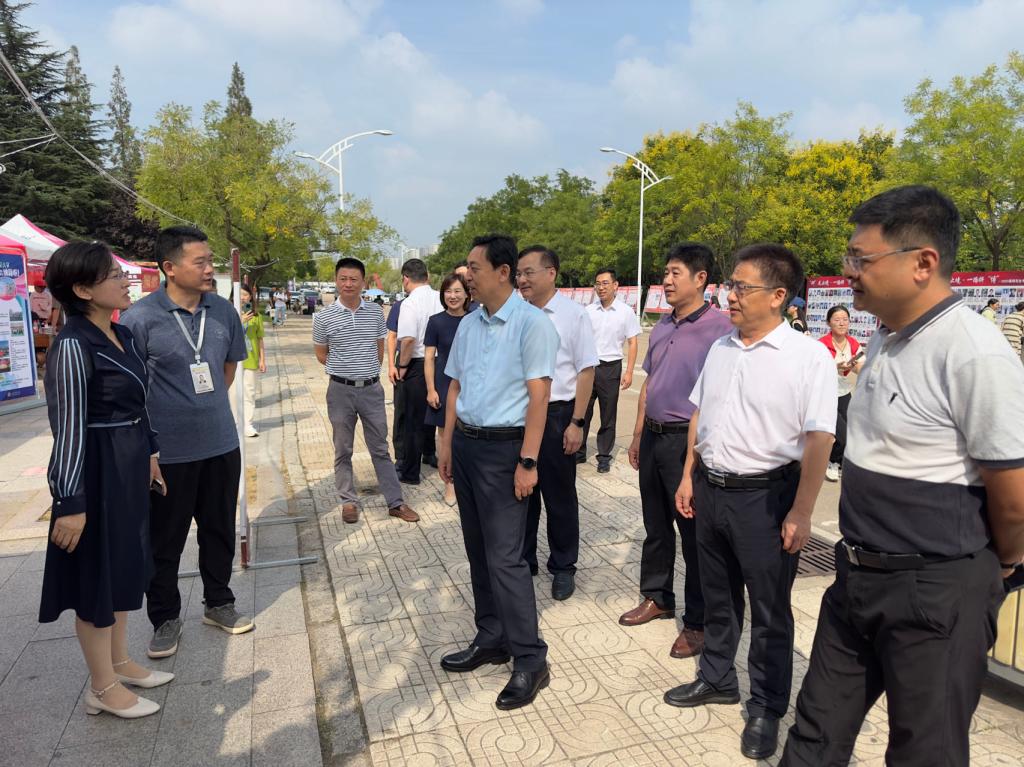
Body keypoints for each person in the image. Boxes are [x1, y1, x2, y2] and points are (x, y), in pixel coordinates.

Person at [782, 186, 1024, 767]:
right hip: (857, 577)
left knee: (924, 750)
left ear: (923, 263)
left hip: (934, 592)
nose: (849, 272)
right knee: (814, 735)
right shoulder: (886, 336)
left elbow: (1013, 495)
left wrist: (1005, 564)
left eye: (861, 259)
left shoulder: (973, 352)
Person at [666, 243, 836, 761]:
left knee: (769, 610)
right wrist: (689, 475)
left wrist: (801, 511)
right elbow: (700, 414)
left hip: (767, 499)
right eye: (731, 286)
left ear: (779, 296)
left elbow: (819, 440)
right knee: (717, 596)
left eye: (742, 287)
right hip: (711, 490)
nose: (731, 296)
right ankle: (718, 677)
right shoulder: (722, 347)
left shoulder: (807, 357)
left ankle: (766, 706)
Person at [39, 241, 173, 719]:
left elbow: (140, 403)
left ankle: (120, 662)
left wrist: (151, 453)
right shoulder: (73, 345)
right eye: (113, 275)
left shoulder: (123, 335)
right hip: (94, 471)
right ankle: (101, 686)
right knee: (96, 578)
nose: (125, 281)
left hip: (129, 464)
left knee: (123, 567)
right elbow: (68, 428)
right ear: (82, 290)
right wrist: (70, 501)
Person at [121, 226, 255, 660]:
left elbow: (228, 368)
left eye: (210, 260)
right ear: (170, 268)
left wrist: (204, 406)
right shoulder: (140, 318)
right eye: (200, 262)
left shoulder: (223, 311)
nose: (210, 268)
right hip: (167, 453)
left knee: (218, 529)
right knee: (165, 540)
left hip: (220, 444)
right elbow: (131, 388)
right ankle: (165, 618)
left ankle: (219, 602)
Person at [437, 234, 559, 710]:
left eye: (474, 267)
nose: (466, 275)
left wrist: (528, 461)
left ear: (503, 272)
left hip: (507, 451)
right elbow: (455, 387)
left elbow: (539, 396)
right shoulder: (469, 323)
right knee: (478, 550)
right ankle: (491, 637)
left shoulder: (532, 324)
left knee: (507, 558)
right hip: (467, 446)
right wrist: (447, 443)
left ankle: (530, 658)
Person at [618, 244, 733, 662]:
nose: (666, 281)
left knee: (694, 534)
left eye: (675, 273)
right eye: (665, 273)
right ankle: (657, 596)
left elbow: (718, 400)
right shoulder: (664, 324)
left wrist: (694, 459)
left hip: (687, 441)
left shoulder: (720, 330)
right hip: (653, 436)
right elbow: (650, 383)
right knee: (655, 525)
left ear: (701, 279)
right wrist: (637, 434)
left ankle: (698, 621)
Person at [517, 246, 598, 600]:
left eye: (528, 272)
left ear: (551, 273)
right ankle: (524, 560)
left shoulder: (573, 315)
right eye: (518, 273)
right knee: (522, 492)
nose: (522, 280)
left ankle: (563, 566)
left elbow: (586, 370)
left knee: (559, 495)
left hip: (557, 415)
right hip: (520, 415)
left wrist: (577, 421)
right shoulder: (516, 313)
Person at [313, 257, 418, 526]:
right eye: (343, 279)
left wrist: (367, 370)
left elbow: (380, 349)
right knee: (343, 448)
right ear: (336, 281)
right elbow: (322, 354)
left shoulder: (374, 312)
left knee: (380, 448)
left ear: (363, 282)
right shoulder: (323, 317)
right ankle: (348, 500)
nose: (348, 284)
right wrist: (346, 367)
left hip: (371, 390)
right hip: (340, 391)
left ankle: (395, 502)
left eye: (354, 279)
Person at [578, 267, 641, 472]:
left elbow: (632, 342)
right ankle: (578, 450)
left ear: (615, 285)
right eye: (598, 283)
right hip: (589, 367)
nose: (601, 287)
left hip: (611, 368)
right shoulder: (588, 311)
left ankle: (604, 456)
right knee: (582, 411)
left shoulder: (625, 312)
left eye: (605, 283)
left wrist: (629, 372)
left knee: (608, 414)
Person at [424, 272, 471, 506]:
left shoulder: (476, 319)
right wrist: (431, 389)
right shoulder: (435, 321)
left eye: (457, 291)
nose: (452, 296)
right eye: (448, 291)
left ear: (467, 295)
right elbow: (429, 358)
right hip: (444, 381)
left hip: (471, 381)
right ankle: (450, 484)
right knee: (445, 434)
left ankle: (468, 480)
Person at [395, 258, 441, 484]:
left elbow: (408, 339)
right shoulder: (441, 297)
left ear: (405, 279)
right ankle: (431, 454)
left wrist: (402, 366)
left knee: (412, 421)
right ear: (427, 276)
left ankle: (410, 472)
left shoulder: (410, 303)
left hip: (417, 364)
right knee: (433, 415)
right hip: (440, 362)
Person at [818, 305, 864, 482]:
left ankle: (841, 462)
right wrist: (834, 366)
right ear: (829, 322)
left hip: (844, 392)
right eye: (837, 320)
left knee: (851, 431)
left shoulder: (853, 343)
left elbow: (860, 367)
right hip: (825, 394)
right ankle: (832, 461)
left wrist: (855, 367)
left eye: (845, 319)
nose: (842, 323)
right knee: (841, 433)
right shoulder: (821, 345)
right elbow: (815, 370)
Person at [229, 283, 266, 438]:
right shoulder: (229, 313)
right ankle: (235, 423)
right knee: (233, 394)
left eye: (245, 294)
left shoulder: (256, 316)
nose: (243, 297)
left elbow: (260, 339)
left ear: (250, 297)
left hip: (251, 359)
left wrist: (262, 360)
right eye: (240, 294)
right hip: (232, 360)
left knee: (249, 393)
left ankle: (247, 424)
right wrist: (240, 320)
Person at [385, 297, 406, 465]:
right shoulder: (400, 306)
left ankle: (428, 450)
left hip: (431, 359)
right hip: (403, 359)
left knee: (430, 408)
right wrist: (391, 365)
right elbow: (392, 336)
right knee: (401, 409)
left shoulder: (436, 300)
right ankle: (400, 454)